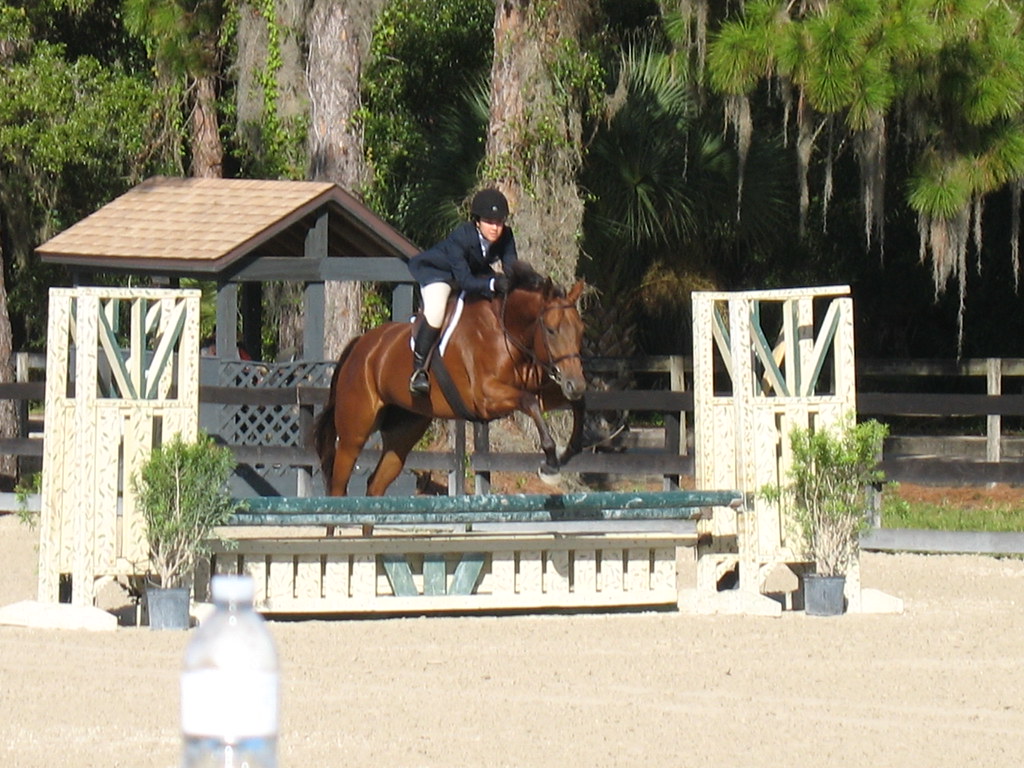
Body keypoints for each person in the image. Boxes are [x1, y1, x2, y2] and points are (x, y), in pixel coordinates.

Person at [406, 188, 518, 395]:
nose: (495, 227)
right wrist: (493, 284)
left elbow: (512, 268)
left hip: (473, 272)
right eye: (489, 222)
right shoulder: (461, 237)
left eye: (499, 222)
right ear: (477, 221)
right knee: (436, 312)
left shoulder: (506, 236)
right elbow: (465, 281)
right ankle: (419, 371)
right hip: (439, 274)